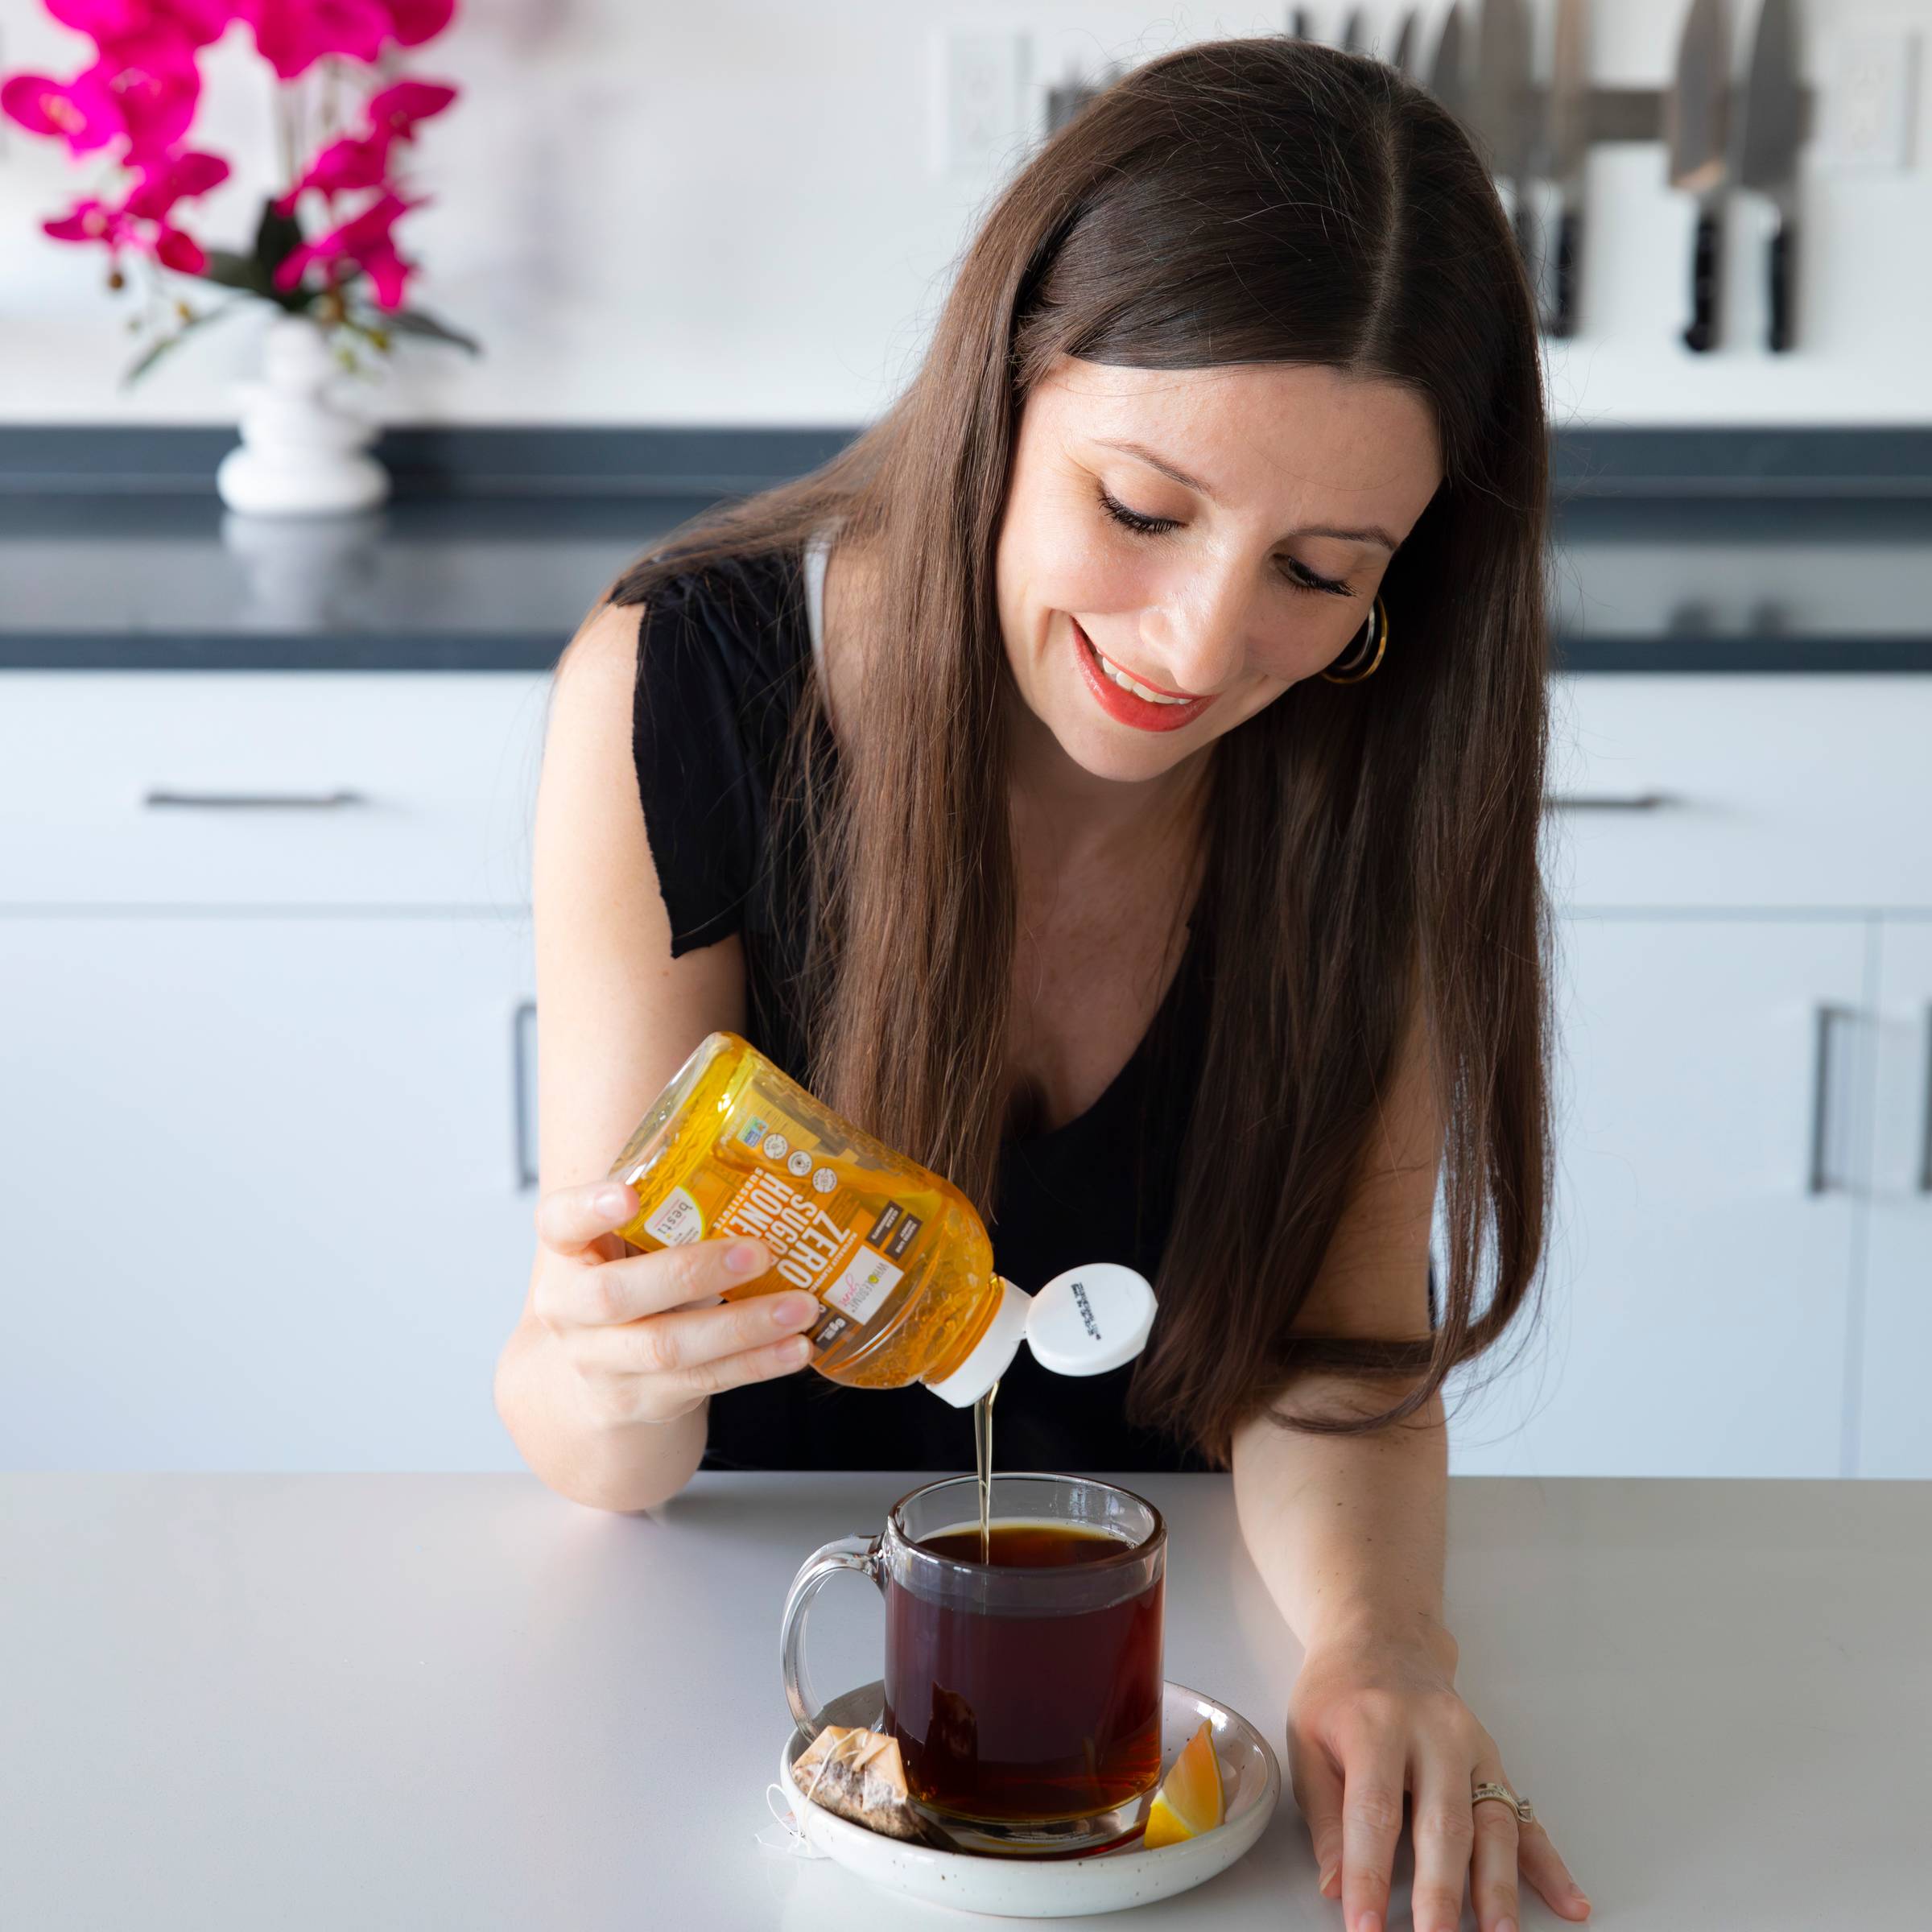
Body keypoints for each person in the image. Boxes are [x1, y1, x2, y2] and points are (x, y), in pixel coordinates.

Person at [497, 35, 1587, 1932]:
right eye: (1145, 510)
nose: (1201, 644)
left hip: (1179, 1736)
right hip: (736, 1719)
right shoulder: (692, 684)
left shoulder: (1380, 750)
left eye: (1322, 570)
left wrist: (1379, 1653)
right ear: (1001, 392)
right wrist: (607, 1370)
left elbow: (1336, 1361)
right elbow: (600, 1441)